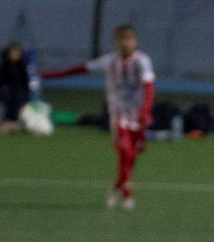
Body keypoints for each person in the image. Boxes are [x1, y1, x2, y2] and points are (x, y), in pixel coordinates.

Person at [41, 25, 155, 209]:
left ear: (135, 41)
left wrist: (146, 112)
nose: (126, 43)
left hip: (138, 113)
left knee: (133, 156)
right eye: (122, 39)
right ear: (116, 42)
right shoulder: (109, 60)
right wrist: (55, 75)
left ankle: (116, 187)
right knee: (124, 152)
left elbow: (149, 86)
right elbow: (80, 69)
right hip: (118, 113)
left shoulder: (142, 60)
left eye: (130, 39)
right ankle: (127, 193)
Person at [0, 43, 31, 133]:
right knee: (8, 98)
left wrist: (27, 93)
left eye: (17, 52)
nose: (15, 54)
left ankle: (16, 123)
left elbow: (25, 81)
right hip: (7, 92)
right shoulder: (4, 66)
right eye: (13, 52)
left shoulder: (22, 66)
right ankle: (7, 123)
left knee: (19, 99)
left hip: (19, 92)